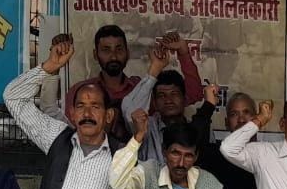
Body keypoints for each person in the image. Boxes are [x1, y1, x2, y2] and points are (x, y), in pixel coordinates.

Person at [5, 34, 132, 189]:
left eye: (95, 106)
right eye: (81, 106)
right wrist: (50, 67)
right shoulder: (57, 138)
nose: (87, 113)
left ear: (108, 116)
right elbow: (13, 98)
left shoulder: (122, 155)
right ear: (72, 114)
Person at [54, 25, 203, 140]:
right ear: (95, 54)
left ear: (127, 53)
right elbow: (67, 130)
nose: (113, 56)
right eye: (106, 50)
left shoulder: (141, 89)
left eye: (119, 49)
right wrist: (54, 65)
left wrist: (183, 51)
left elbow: (194, 94)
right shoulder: (81, 92)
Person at [194, 87, 262, 189]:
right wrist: (209, 105)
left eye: (247, 113)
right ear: (226, 122)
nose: (241, 119)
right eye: (234, 114)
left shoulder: (268, 155)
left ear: (257, 119)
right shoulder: (217, 156)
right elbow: (193, 142)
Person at [120, 32, 204, 164]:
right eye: (161, 95)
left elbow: (196, 92)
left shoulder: (195, 128)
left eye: (174, 94)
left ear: (184, 98)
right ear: (154, 101)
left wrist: (183, 51)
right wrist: (155, 68)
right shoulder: (146, 127)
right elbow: (130, 111)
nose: (168, 100)